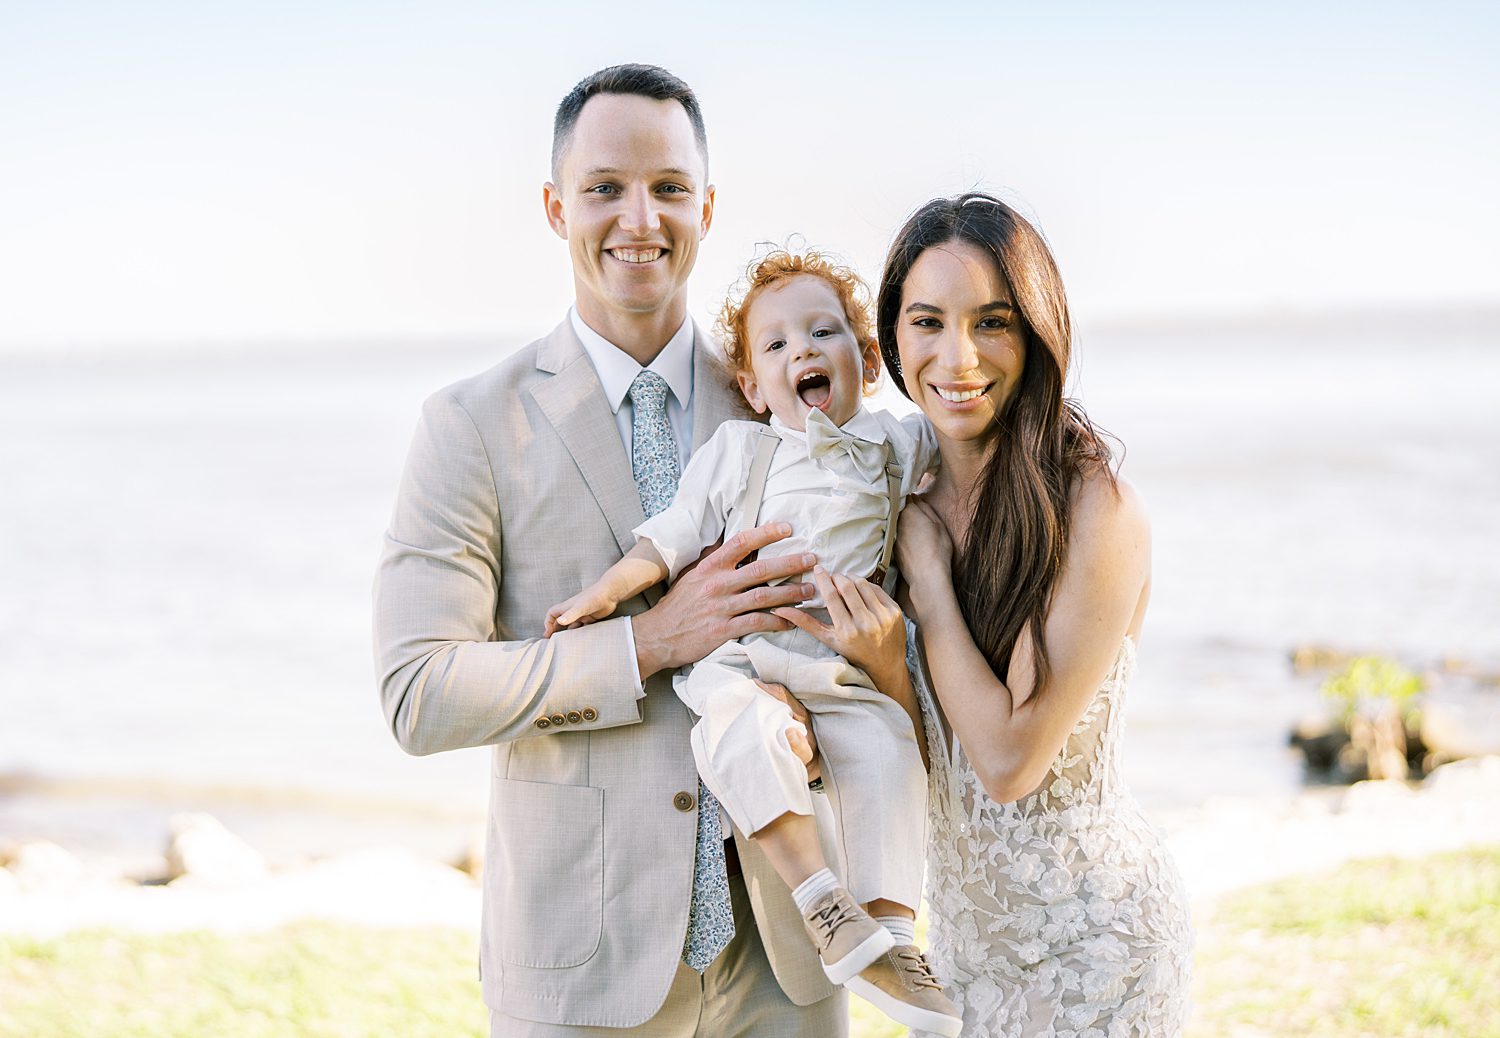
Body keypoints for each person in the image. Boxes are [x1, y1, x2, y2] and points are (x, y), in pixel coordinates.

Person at [373, 65, 849, 1037]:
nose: (641, 217)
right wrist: (650, 644)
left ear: (707, 207)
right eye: (605, 188)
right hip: (580, 967)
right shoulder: (467, 426)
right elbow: (418, 694)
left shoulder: (787, 399)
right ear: (556, 207)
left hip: (789, 963)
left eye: (670, 187)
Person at [783, 193, 1194, 1036]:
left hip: (1096, 943)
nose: (957, 356)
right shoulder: (890, 489)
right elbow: (934, 759)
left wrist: (928, 579)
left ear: (1036, 333)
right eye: (927, 322)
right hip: (967, 947)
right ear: (888, 340)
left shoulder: (1096, 508)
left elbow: (1009, 761)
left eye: (992, 322)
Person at [545, 249, 962, 1037]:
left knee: (887, 750)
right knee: (737, 729)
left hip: (844, 668)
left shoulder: (896, 444)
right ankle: (820, 899)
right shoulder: (746, 451)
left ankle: (891, 935)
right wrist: (601, 596)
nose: (800, 350)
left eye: (822, 331)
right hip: (750, 656)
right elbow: (670, 538)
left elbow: (971, 469)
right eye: (774, 346)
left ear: (867, 360)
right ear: (751, 387)